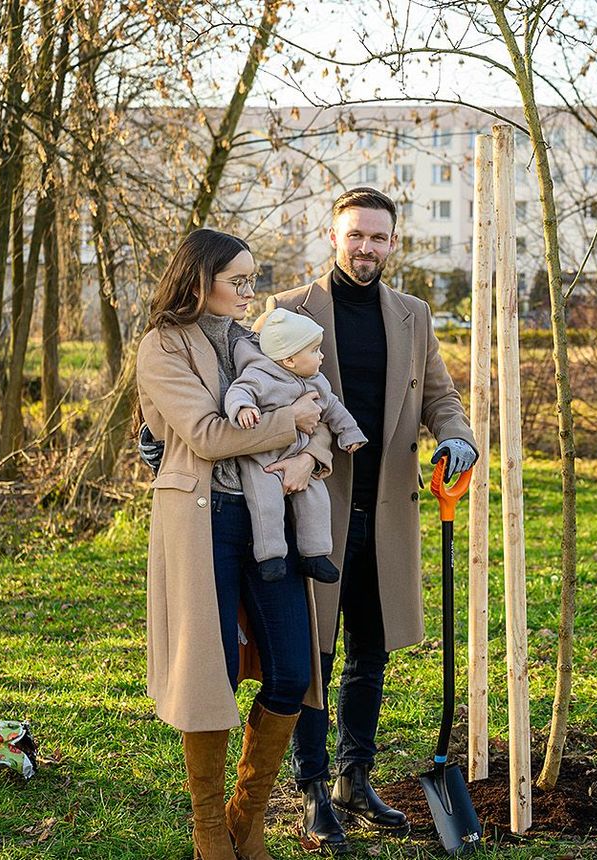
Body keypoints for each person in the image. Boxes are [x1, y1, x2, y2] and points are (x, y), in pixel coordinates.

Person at [267, 187, 477, 854]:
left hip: (387, 510)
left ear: (394, 243)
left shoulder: (412, 315)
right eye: (356, 235)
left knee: (371, 648)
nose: (367, 248)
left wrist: (460, 437)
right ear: (335, 237)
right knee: (312, 653)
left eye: (379, 238)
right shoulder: (290, 311)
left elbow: (440, 395)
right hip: (312, 507)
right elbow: (259, 394)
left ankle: (354, 781)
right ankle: (310, 789)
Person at [135, 228, 335, 860]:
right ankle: (210, 832)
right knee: (211, 676)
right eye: (238, 281)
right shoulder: (161, 347)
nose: (251, 292)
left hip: (270, 513)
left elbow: (320, 409)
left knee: (293, 671)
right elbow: (206, 434)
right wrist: (291, 424)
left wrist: (313, 460)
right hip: (203, 520)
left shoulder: (257, 340)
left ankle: (246, 814)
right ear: (200, 282)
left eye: (254, 279)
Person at [225, 307, 369, 584]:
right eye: (315, 350)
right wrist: (242, 408)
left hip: (299, 451)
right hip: (262, 460)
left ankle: (314, 554)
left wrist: (349, 433)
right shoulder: (260, 375)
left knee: (316, 498)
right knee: (266, 503)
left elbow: (333, 409)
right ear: (289, 359)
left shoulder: (316, 380)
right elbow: (238, 391)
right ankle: (271, 557)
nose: (321, 356)